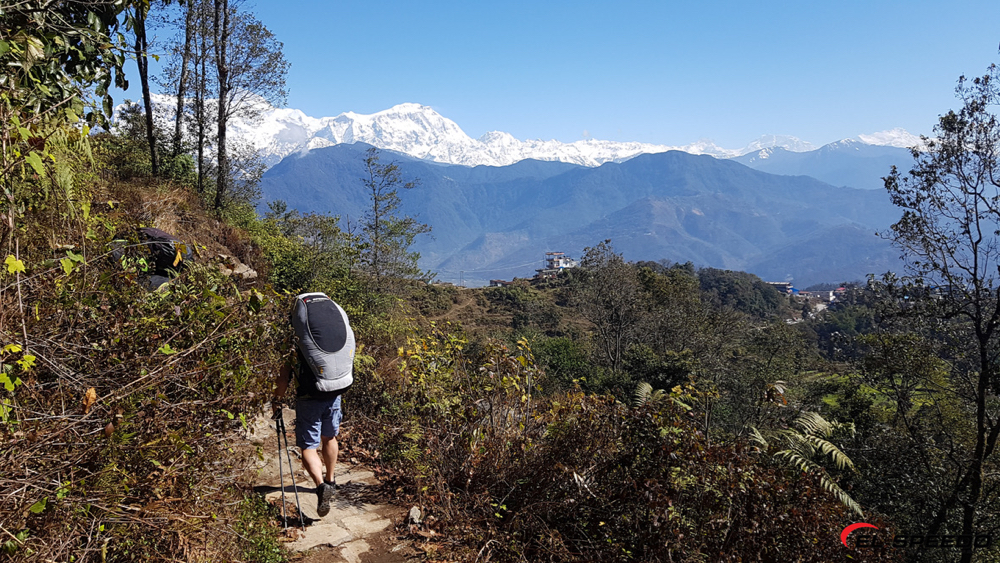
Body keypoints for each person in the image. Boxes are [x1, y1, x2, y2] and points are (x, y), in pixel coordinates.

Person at [273, 295, 355, 518]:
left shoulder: (293, 341)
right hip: (334, 391)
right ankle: (331, 479)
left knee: (309, 446)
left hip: (309, 397)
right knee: (330, 437)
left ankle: (321, 486)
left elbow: (283, 378)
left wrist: (277, 400)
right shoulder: (327, 333)